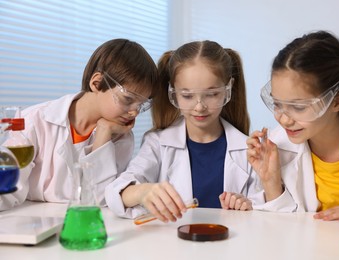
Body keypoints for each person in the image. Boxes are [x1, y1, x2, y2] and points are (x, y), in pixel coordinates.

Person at [105, 40, 274, 222]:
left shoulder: (247, 149)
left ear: (228, 89)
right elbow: (116, 192)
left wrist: (247, 205)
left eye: (211, 94)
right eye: (187, 95)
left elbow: (266, 209)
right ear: (173, 92)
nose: (199, 107)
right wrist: (143, 192)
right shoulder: (157, 143)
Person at [247, 30, 339, 221]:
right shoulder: (276, 147)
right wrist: (271, 182)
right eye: (278, 104)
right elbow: (279, 233)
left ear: (338, 101)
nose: (284, 119)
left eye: (298, 107)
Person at [0, 39, 158, 211]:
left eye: (140, 105)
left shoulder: (121, 136)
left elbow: (98, 201)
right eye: (128, 99)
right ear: (96, 83)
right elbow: (6, 189)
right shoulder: (34, 120)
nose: (134, 112)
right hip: (30, 223)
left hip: (82, 225)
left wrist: (103, 135)